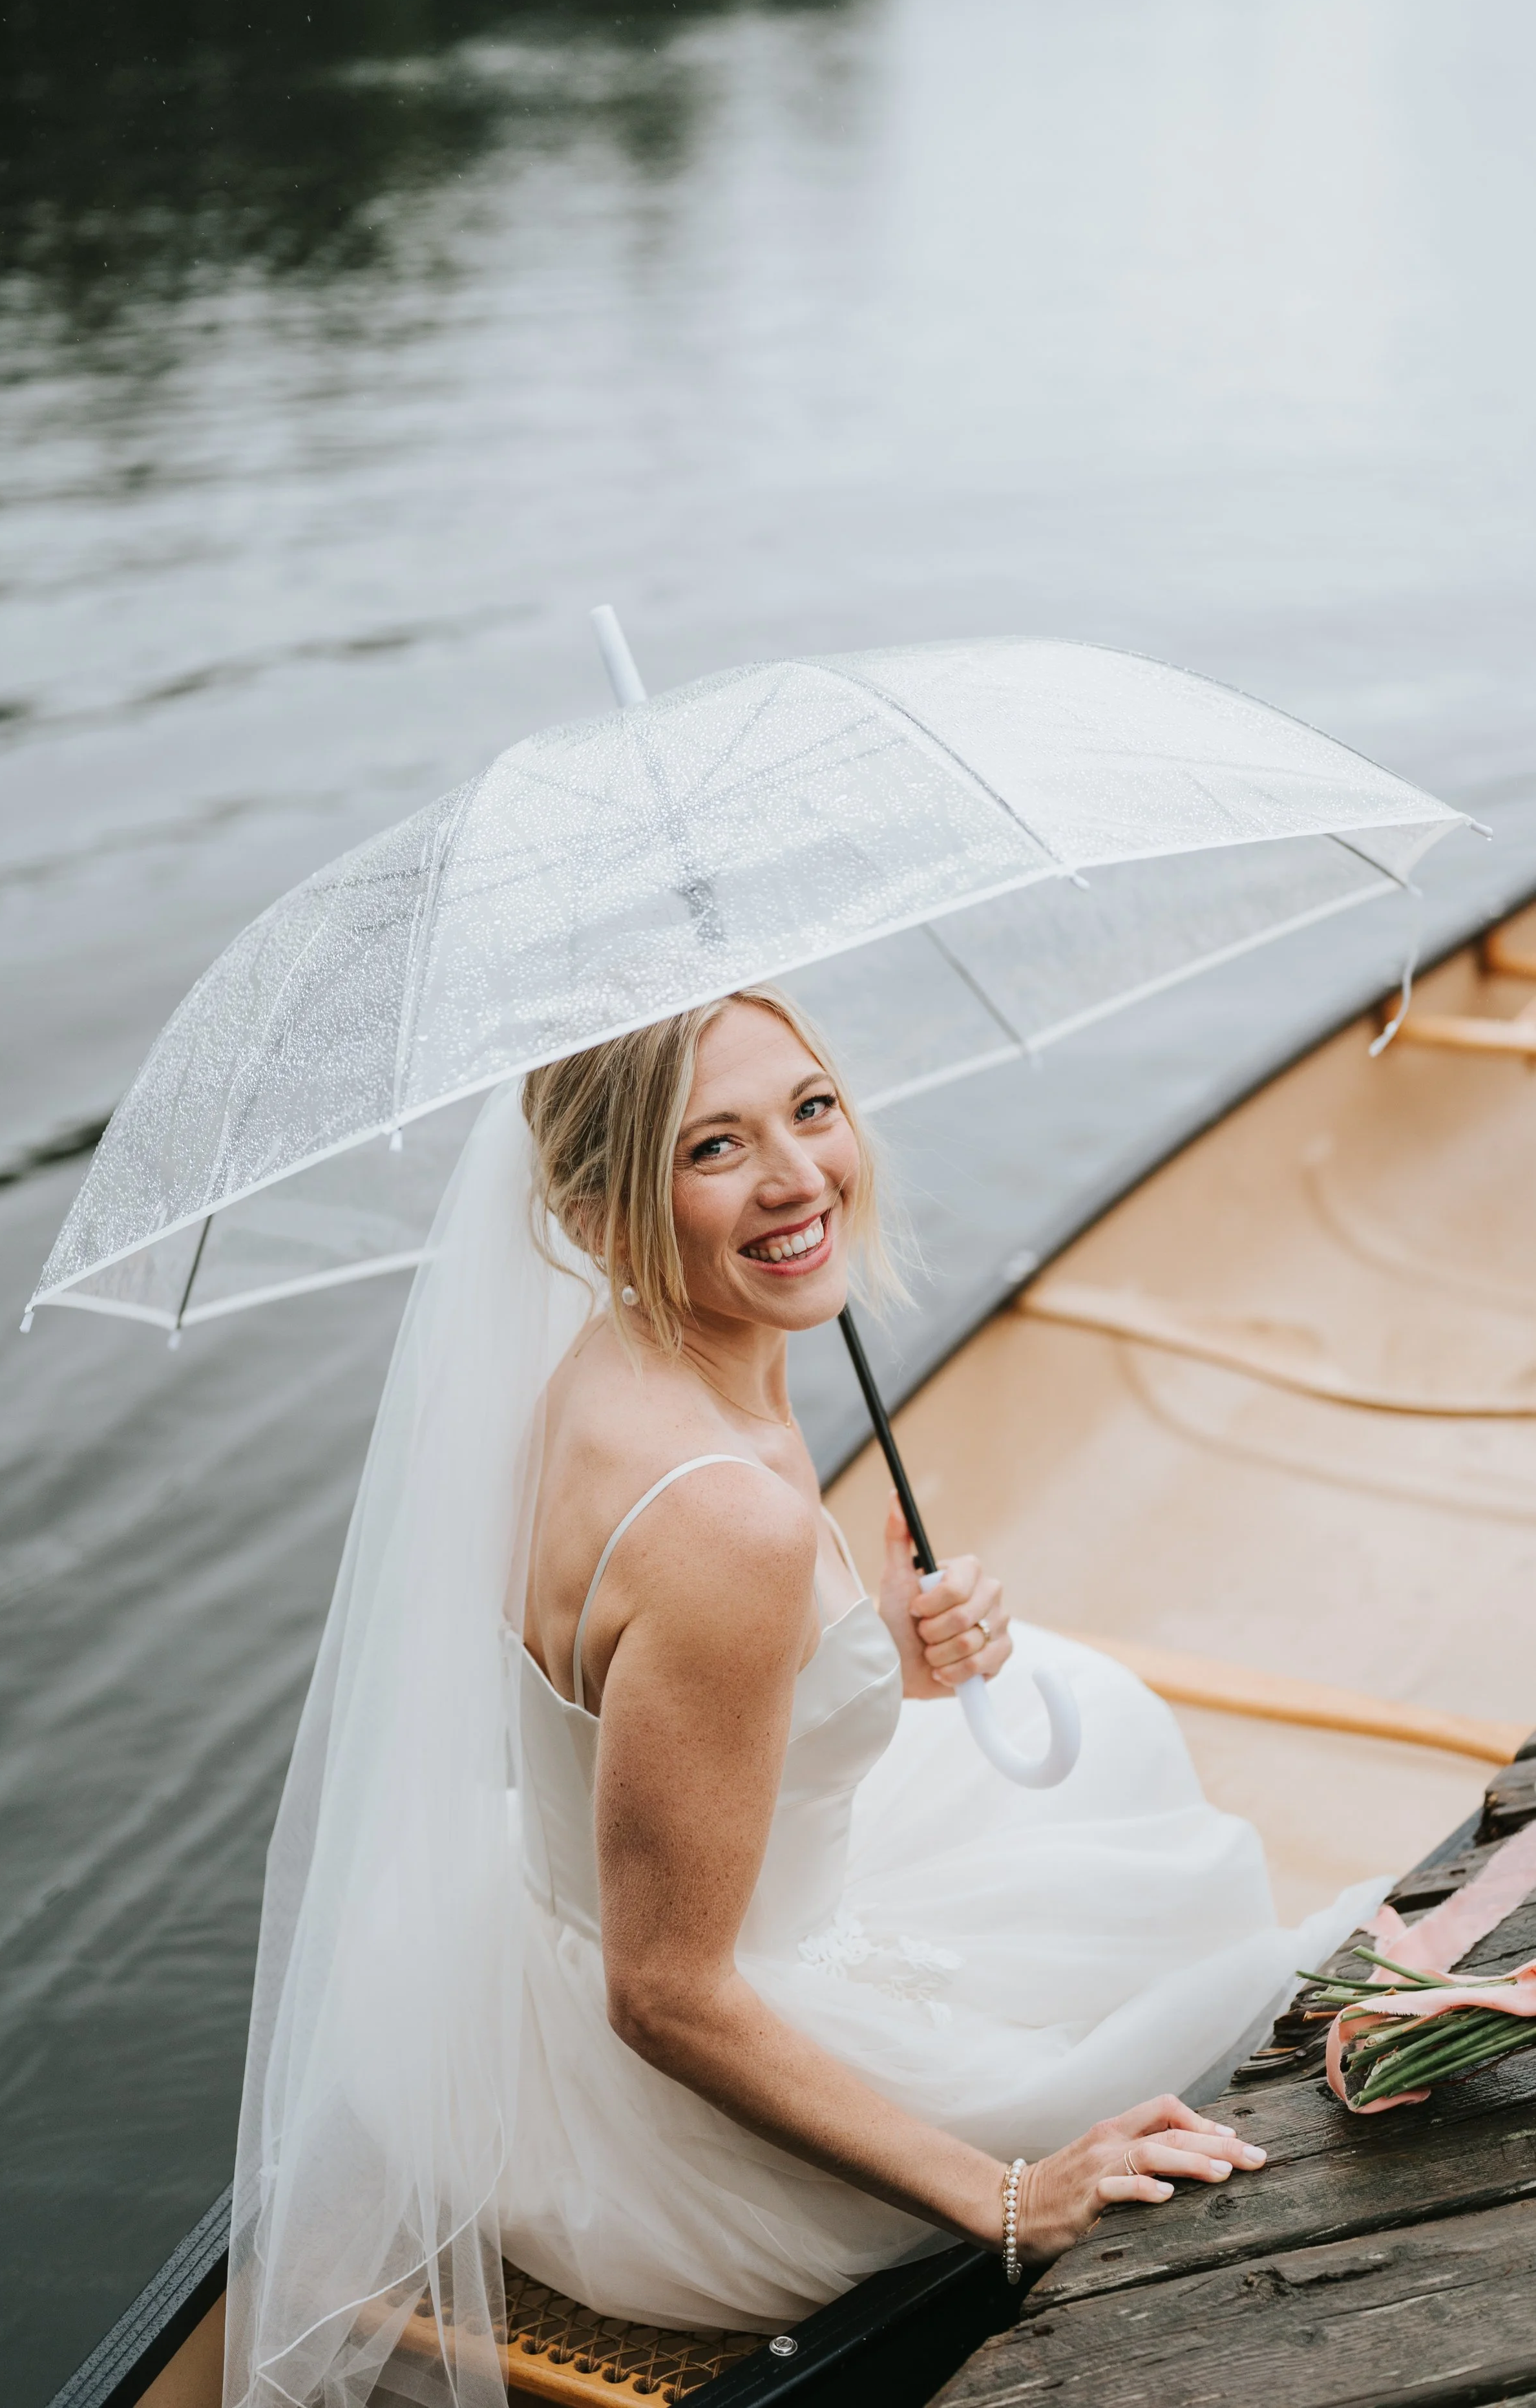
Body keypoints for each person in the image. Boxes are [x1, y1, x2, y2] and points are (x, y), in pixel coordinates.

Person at [226, 987, 1385, 2408]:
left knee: (1103, 1712)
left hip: (547, 1923)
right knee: (1244, 1979)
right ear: (597, 1216)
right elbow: (661, 1995)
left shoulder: (605, 1363)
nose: (796, 1178)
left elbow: (643, 1684)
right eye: (713, 1148)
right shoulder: (723, 1528)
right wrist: (1008, 2194)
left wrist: (875, 1656)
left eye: (810, 1109)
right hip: (674, 2092)